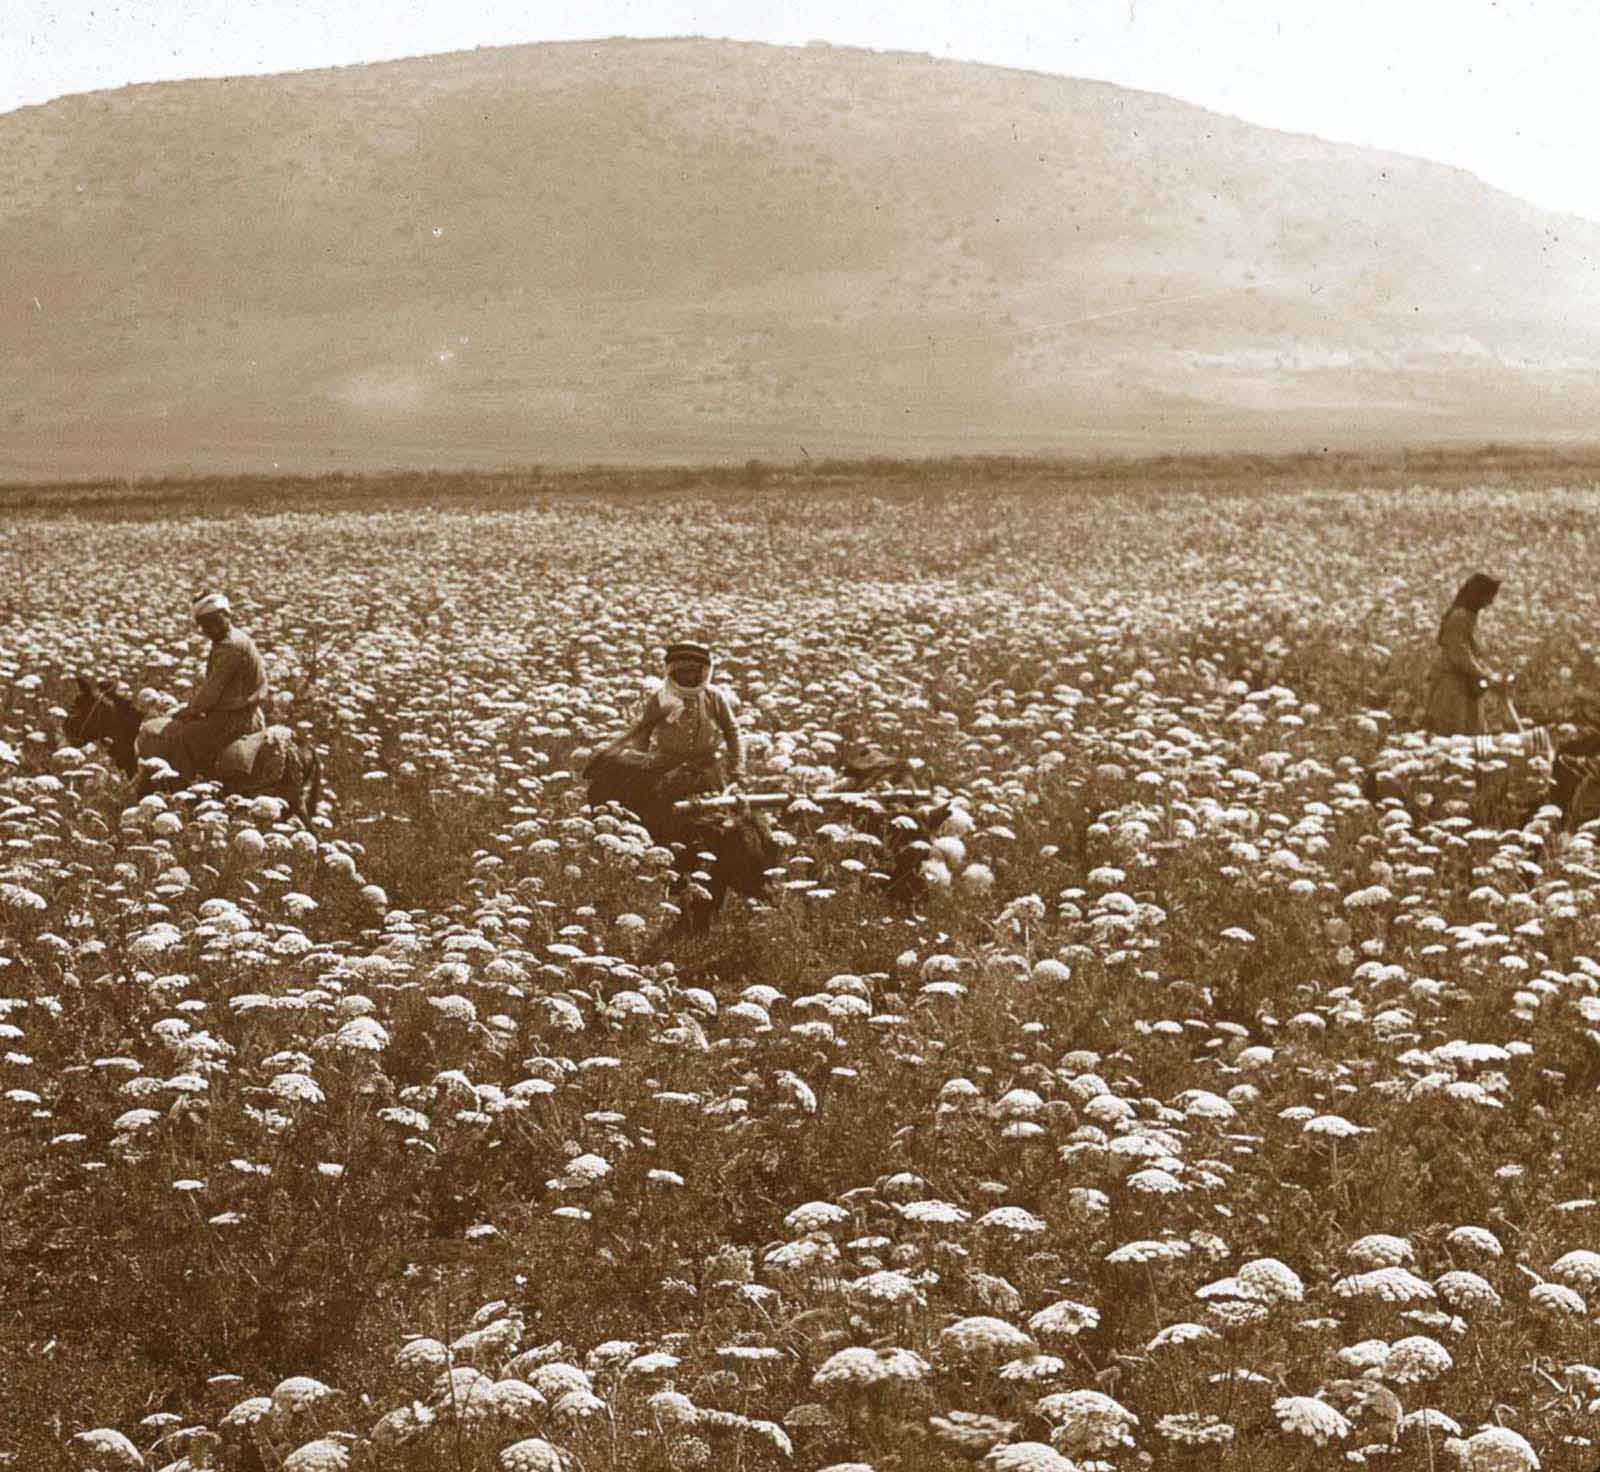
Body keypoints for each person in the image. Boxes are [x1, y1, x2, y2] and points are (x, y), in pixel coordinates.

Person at [610, 640, 746, 803]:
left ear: (702, 671)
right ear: (673, 671)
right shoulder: (660, 697)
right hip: (666, 767)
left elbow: (732, 731)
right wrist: (642, 763)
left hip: (707, 769)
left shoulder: (713, 696)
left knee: (717, 810)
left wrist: (737, 768)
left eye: (692, 671)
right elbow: (643, 733)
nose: (688, 676)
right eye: (683, 671)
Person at [167, 591, 269, 778]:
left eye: (215, 621)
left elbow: (212, 692)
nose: (211, 628)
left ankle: (189, 786)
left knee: (179, 738)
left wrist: (189, 711)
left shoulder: (230, 647)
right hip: (247, 712)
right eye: (205, 624)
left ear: (227, 615)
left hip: (234, 720)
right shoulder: (237, 638)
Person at [1425, 572, 1502, 736]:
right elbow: (1460, 654)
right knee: (1454, 734)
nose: (1490, 602)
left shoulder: (1469, 617)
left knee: (1472, 734)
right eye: (1488, 596)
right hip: (1452, 685)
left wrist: (1487, 672)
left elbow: (1473, 652)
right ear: (1477, 595)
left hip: (1468, 683)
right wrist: (1485, 675)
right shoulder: (1459, 617)